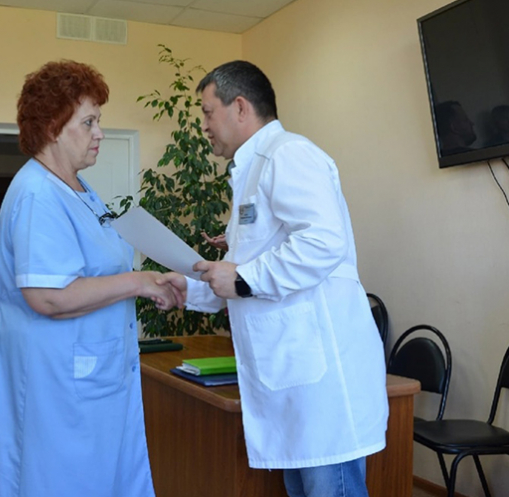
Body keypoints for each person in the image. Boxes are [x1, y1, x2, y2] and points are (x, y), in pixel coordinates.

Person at [164, 61, 388, 497]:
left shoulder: (287, 154)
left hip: (319, 387)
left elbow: (323, 242)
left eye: (208, 113)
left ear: (240, 107)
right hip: (291, 381)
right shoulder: (251, 172)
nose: (204, 126)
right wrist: (186, 290)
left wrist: (241, 278)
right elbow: (240, 278)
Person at [0, 60, 182, 497]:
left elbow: (99, 270)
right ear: (53, 128)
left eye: (99, 121)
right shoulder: (38, 194)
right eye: (89, 122)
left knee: (104, 476)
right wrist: (139, 282)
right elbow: (48, 296)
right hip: (59, 381)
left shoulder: (78, 189)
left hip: (92, 375)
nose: (100, 133)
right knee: (64, 482)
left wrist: (149, 278)